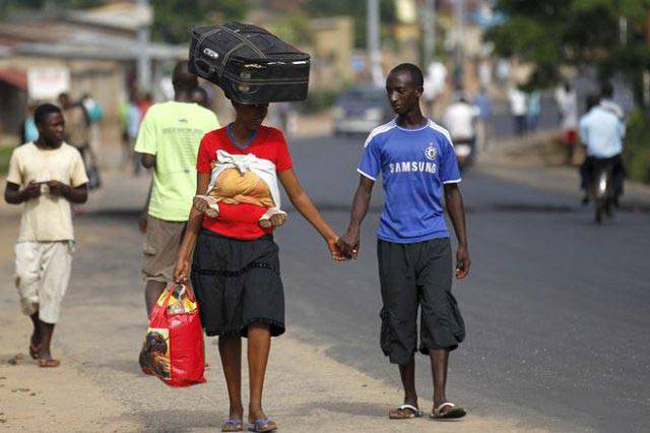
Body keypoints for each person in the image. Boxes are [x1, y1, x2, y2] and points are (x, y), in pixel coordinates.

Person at [172, 98, 346, 432]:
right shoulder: (211, 142)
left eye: (264, 107)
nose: (260, 114)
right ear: (237, 104)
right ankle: (234, 408)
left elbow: (296, 194)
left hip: (259, 246)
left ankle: (256, 408)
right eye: (253, 107)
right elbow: (200, 201)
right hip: (215, 247)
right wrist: (184, 253)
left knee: (260, 318)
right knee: (227, 327)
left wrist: (328, 235)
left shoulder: (275, 140)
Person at [337, 63, 470, 421]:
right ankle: (409, 398)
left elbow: (452, 194)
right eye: (390, 91)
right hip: (392, 243)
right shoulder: (379, 137)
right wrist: (353, 230)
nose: (394, 97)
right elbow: (364, 189)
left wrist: (462, 244)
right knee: (399, 319)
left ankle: (440, 398)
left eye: (401, 90)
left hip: (434, 241)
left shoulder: (439, 138)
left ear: (418, 92)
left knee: (439, 314)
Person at [4, 103, 89, 367]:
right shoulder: (21, 154)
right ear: (39, 127)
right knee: (26, 286)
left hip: (61, 233)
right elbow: (9, 194)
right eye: (55, 125)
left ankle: (45, 350)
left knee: (52, 292)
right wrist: (23, 194)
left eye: (62, 124)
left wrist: (64, 189)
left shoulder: (72, 155)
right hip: (29, 233)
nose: (61, 129)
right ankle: (38, 331)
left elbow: (83, 194)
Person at [135, 61, 220, 317]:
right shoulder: (208, 118)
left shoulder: (155, 114)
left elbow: (147, 161)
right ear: (197, 86)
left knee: (156, 276)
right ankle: (188, 346)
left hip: (165, 208)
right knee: (190, 276)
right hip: (200, 210)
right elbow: (218, 163)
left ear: (172, 85)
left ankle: (157, 336)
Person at [579, 83, 626, 206]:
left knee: (585, 170)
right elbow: (622, 133)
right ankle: (617, 191)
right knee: (619, 171)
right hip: (613, 154)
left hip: (594, 155)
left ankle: (587, 189)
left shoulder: (586, 119)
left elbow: (584, 141)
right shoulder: (614, 115)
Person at [58, 93, 101, 190]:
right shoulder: (62, 114)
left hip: (82, 142)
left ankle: (87, 182)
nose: (63, 103)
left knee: (85, 163)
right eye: (61, 102)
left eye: (64, 101)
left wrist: (87, 139)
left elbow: (87, 123)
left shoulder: (79, 110)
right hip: (70, 144)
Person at [554, 82, 579, 165]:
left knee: (568, 143)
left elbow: (563, 111)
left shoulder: (567, 100)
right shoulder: (573, 96)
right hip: (572, 123)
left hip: (568, 125)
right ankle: (569, 159)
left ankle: (569, 159)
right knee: (570, 143)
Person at [473, 87, 492, 152]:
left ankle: (480, 147)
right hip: (487, 117)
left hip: (480, 117)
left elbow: (474, 107)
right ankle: (485, 147)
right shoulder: (487, 97)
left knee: (480, 133)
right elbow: (490, 108)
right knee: (487, 133)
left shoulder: (477, 97)